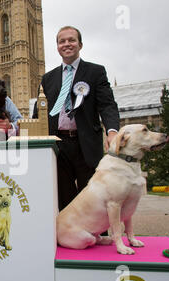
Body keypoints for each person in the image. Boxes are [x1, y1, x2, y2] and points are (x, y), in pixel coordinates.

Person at [41, 26, 120, 212]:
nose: (67, 44)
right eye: (62, 41)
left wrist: (112, 132)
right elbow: (40, 114)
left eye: (71, 40)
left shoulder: (95, 72)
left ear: (80, 44)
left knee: (93, 197)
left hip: (86, 143)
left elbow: (107, 105)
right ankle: (67, 237)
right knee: (63, 199)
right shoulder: (48, 78)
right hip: (58, 144)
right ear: (57, 47)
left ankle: (99, 237)